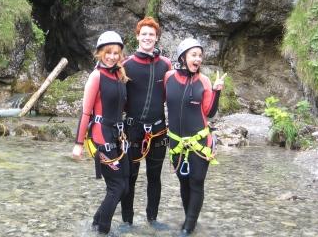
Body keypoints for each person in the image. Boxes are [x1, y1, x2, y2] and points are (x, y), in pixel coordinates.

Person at [164, 37, 226, 235]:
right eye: (193, 55)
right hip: (176, 142)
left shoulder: (204, 81)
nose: (197, 59)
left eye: (200, 55)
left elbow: (209, 112)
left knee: (196, 182)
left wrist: (216, 92)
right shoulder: (168, 77)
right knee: (183, 182)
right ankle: (189, 218)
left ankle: (188, 227)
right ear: (183, 57)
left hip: (200, 142)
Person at [72, 31, 129, 235]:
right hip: (101, 138)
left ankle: (97, 224)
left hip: (118, 137)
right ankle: (103, 231)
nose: (112, 56)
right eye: (108, 52)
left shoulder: (119, 74)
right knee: (117, 187)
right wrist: (79, 144)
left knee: (123, 187)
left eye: (116, 52)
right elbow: (86, 111)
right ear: (100, 53)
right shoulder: (96, 76)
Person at [121, 16, 172, 227]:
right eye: (144, 34)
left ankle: (152, 218)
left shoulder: (166, 65)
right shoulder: (126, 65)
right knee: (129, 177)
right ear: (137, 36)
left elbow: (175, 94)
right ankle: (127, 221)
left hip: (158, 130)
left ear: (157, 38)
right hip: (132, 129)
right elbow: (115, 96)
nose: (148, 37)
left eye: (152, 34)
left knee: (154, 176)